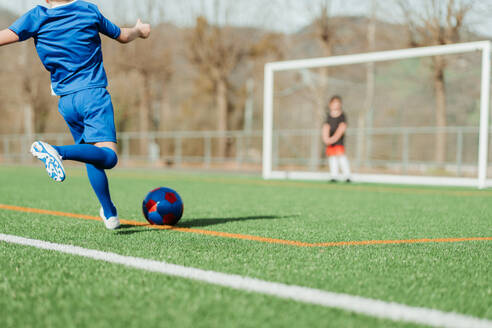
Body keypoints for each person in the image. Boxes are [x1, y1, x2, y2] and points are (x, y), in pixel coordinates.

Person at [0, 0, 151, 229]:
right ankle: (57, 151)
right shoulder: (87, 10)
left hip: (67, 103)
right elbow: (121, 35)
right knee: (109, 157)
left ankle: (110, 213)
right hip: (93, 96)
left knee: (91, 155)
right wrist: (139, 31)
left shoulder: (36, 16)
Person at [322, 95, 351, 182]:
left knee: (341, 157)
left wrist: (333, 139)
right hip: (330, 141)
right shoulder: (328, 116)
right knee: (332, 158)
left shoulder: (342, 116)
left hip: (338, 141)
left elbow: (342, 127)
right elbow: (325, 127)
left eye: (337, 103)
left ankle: (347, 176)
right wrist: (326, 139)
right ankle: (334, 176)